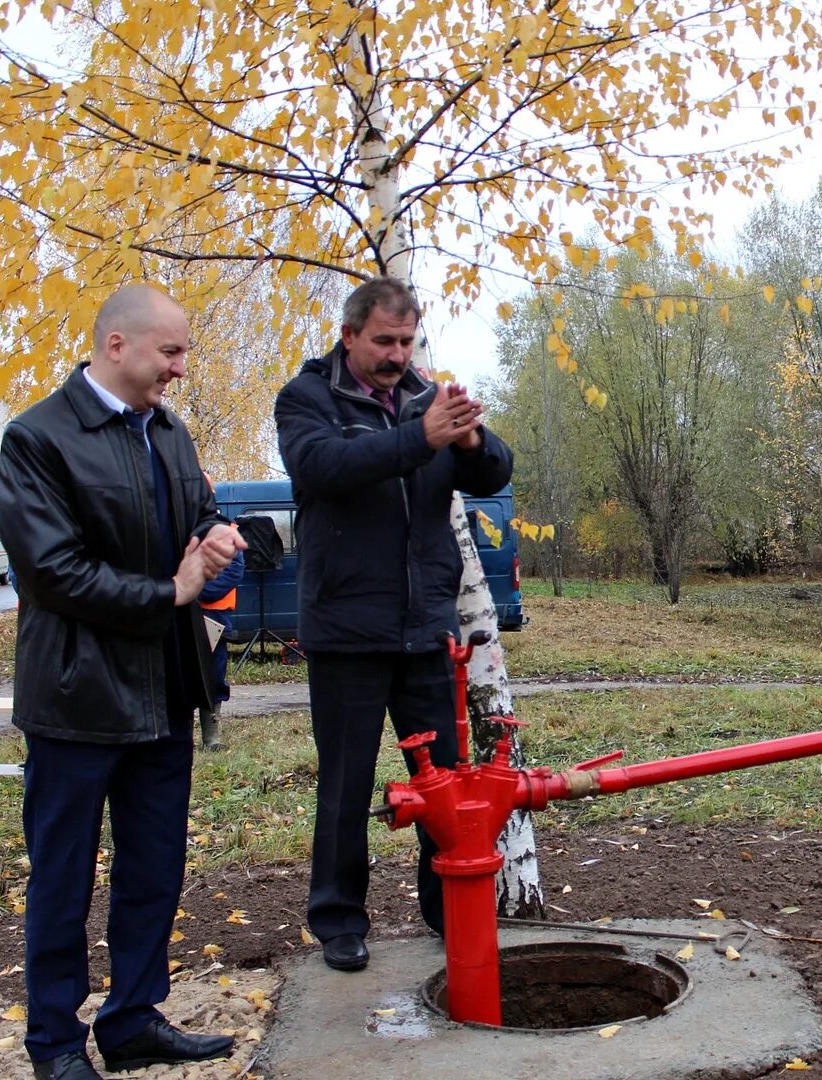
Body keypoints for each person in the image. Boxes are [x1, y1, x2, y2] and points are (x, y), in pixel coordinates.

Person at [0, 283, 247, 1080]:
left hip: (165, 694)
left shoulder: (168, 434)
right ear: (116, 346)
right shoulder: (37, 438)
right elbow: (52, 573)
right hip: (76, 699)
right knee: (63, 882)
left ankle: (132, 1019)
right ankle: (56, 1045)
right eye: (170, 352)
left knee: (153, 871)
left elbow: (197, 512)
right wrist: (169, 592)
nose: (179, 368)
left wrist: (215, 539)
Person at [275, 277, 513, 972]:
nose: (397, 355)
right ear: (349, 335)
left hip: (424, 626)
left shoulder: (425, 395)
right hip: (346, 627)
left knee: (443, 786)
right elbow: (323, 467)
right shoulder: (306, 399)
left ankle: (450, 908)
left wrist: (470, 440)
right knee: (346, 787)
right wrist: (422, 437)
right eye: (384, 341)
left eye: (407, 342)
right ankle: (340, 922)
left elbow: (495, 473)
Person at [198, 473, 245, 750]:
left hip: (213, 616)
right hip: (178, 613)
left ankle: (210, 735)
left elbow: (234, 570)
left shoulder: (226, 531)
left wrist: (196, 590)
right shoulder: (173, 528)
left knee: (213, 675)